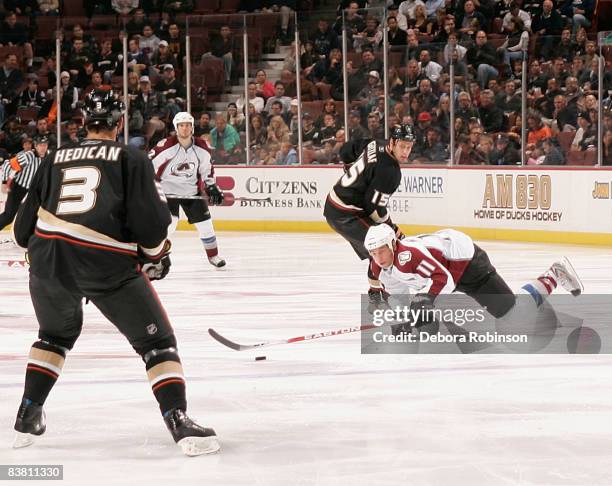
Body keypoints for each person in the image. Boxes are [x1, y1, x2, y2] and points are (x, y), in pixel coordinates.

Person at [10, 89, 220, 456]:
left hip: (47, 260)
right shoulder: (130, 157)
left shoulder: (55, 157)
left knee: (53, 337)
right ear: (119, 123)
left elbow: (21, 230)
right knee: (157, 343)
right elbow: (153, 224)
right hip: (103, 261)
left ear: (82, 123)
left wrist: (45, 256)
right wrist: (156, 255)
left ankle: (28, 414)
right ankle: (179, 422)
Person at [363, 224, 583, 334]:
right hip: (449, 264)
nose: (378, 258)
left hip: (467, 263)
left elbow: (444, 280)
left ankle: (555, 274)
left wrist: (424, 300)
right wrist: (401, 318)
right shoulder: (379, 267)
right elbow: (399, 294)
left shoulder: (408, 256)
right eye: (373, 253)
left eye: (381, 250)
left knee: (514, 316)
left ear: (392, 244)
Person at [323, 125, 416, 310]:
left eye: (409, 147)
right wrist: (393, 228)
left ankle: (378, 295)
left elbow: (347, 149)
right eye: (402, 146)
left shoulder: (376, 143)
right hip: (346, 214)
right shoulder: (390, 171)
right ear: (393, 143)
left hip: (337, 205)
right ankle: (378, 299)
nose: (406, 152)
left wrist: (351, 169)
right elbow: (374, 207)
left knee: (380, 248)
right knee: (383, 247)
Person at [149, 111, 226, 268]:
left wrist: (211, 186)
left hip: (191, 192)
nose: (185, 129)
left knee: (206, 224)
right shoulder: (166, 146)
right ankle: (155, 256)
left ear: (192, 128)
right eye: (181, 125)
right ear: (176, 128)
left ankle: (214, 256)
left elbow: (206, 170)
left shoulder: (202, 147)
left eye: (188, 125)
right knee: (170, 225)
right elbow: (147, 165)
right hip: (167, 192)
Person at [0, 135, 48, 231]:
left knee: (35, 215)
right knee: (9, 216)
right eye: (40, 145)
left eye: (45, 145)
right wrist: (4, 182)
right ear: (35, 146)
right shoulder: (29, 156)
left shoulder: (48, 157)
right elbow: (7, 165)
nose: (43, 148)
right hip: (19, 189)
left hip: (32, 191)